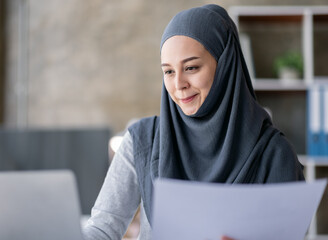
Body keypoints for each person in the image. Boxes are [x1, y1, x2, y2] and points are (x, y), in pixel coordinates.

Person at [83, 4, 305, 240]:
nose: (178, 84)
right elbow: (102, 229)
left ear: (225, 65)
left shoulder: (273, 154)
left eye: (191, 67)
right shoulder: (142, 141)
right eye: (168, 71)